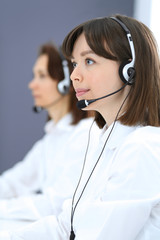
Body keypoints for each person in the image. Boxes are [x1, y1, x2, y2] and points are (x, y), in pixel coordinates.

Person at [1, 14, 160, 240]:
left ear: (129, 70)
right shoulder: (102, 142)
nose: (75, 75)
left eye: (89, 61)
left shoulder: (141, 148)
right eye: (75, 64)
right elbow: (66, 227)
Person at [0, 43, 97, 222]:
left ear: (65, 83)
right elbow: (14, 182)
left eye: (42, 76)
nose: (32, 85)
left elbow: (55, 205)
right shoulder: (51, 139)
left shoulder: (86, 134)